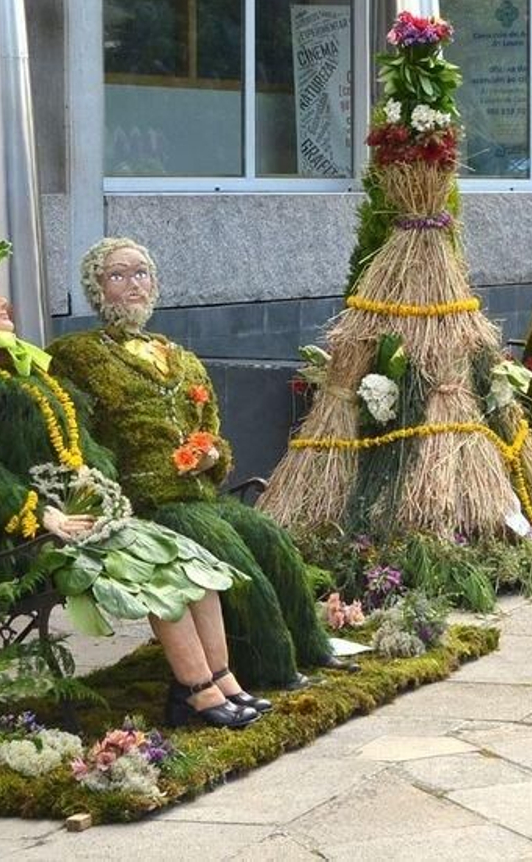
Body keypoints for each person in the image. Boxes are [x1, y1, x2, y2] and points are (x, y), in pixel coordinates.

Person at [0, 243, 262, 728]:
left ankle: (224, 681)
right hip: (33, 539)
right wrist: (40, 513)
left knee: (194, 566)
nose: (5, 305)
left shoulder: (24, 374)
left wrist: (97, 485)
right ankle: (197, 692)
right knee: (165, 584)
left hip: (85, 520)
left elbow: (79, 445)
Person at [49, 238, 343, 688]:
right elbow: (77, 436)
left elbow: (214, 434)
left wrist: (211, 456)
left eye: (141, 273)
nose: (133, 284)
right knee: (233, 556)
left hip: (200, 494)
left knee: (271, 538)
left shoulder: (179, 357)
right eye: (118, 275)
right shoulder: (79, 355)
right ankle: (272, 669)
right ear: (96, 288)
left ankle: (312, 645)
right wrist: (110, 492)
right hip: (150, 501)